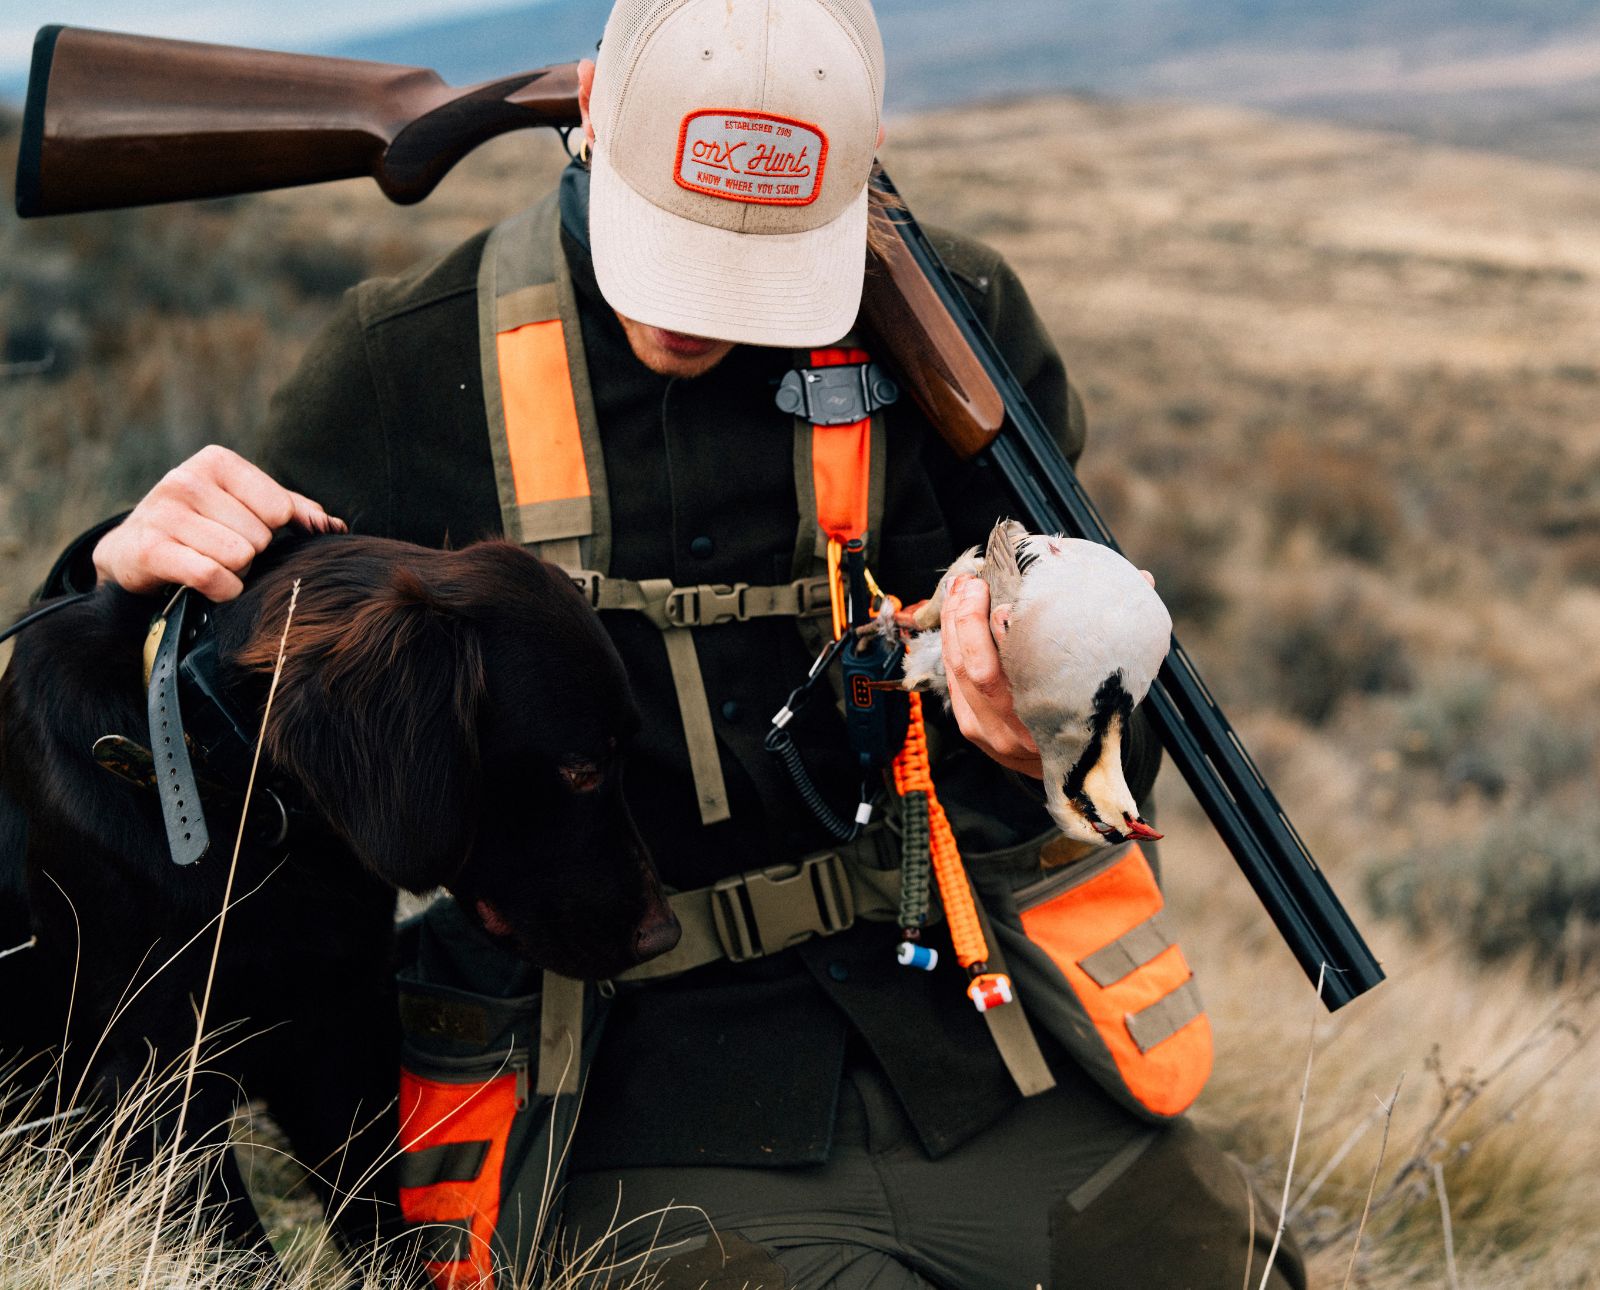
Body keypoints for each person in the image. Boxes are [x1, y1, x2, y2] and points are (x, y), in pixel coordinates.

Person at [79, 0, 1307, 1285]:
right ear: (589, 110)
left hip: (965, 1038)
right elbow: (208, 713)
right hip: (612, 1084)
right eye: (665, 244)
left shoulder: (959, 310)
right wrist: (119, 570)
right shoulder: (405, 358)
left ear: (859, 161)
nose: (694, 316)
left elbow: (1123, 753)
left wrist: (1037, 733)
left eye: (756, 265)